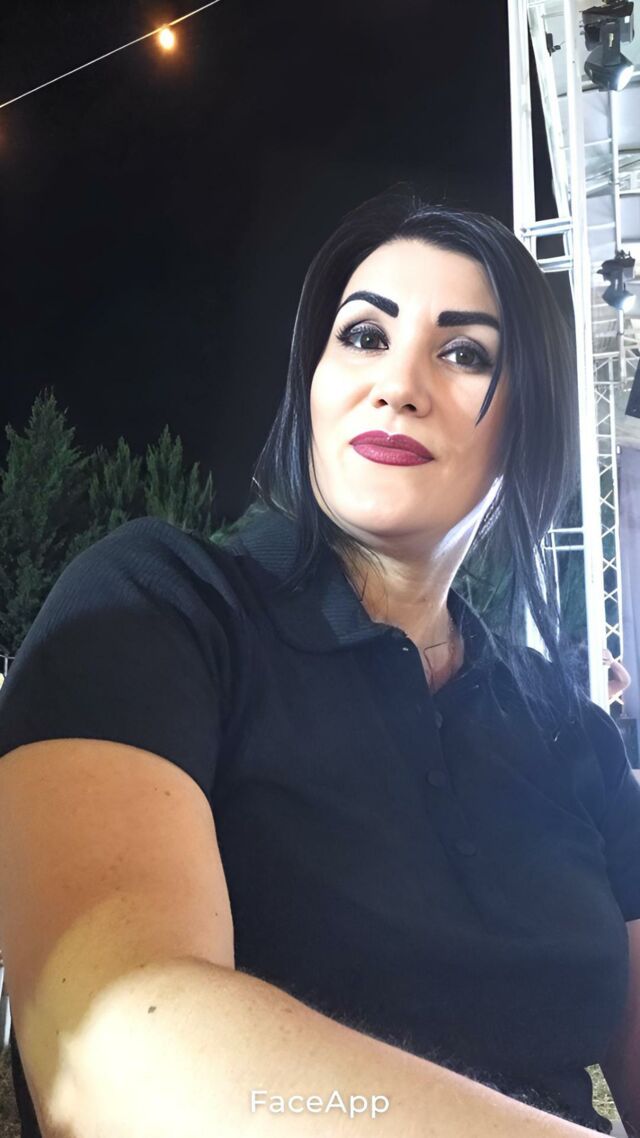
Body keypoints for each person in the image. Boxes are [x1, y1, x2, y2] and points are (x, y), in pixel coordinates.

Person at [0, 186, 639, 1138]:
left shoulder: (573, 737)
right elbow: (114, 1050)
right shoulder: (159, 606)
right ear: (314, 382)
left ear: (530, 420)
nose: (398, 385)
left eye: (464, 353)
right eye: (364, 336)